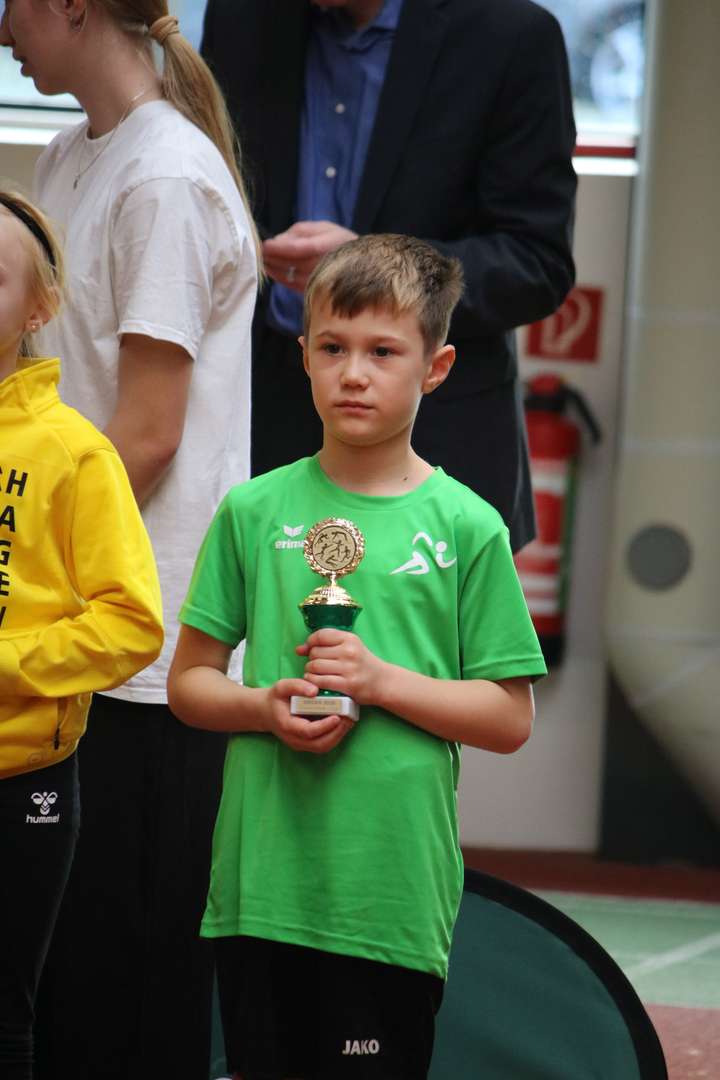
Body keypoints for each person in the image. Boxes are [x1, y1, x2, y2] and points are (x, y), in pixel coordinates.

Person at [167, 234, 547, 1080]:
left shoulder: (468, 525)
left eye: (383, 352)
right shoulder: (253, 510)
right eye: (333, 348)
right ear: (302, 354)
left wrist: (380, 682)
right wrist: (262, 707)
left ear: (436, 368)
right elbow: (189, 684)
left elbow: (509, 717)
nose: (353, 374)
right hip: (261, 890)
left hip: (389, 898)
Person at [0, 2, 259, 1076]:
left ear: (69, 5)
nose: (2, 27)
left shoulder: (165, 177)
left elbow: (146, 434)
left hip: (142, 646)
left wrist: (36, 571)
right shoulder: (72, 154)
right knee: (55, 987)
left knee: (129, 987)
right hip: (64, 638)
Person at [201, 0, 577, 553]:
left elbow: (536, 261)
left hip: (434, 446)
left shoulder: (510, 35)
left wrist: (374, 266)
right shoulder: (243, 17)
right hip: (261, 431)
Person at [0, 190, 163, 1080]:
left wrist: (7, 666)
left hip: (21, 781)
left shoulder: (75, 453)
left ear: (40, 308)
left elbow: (131, 624)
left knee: (4, 1017)